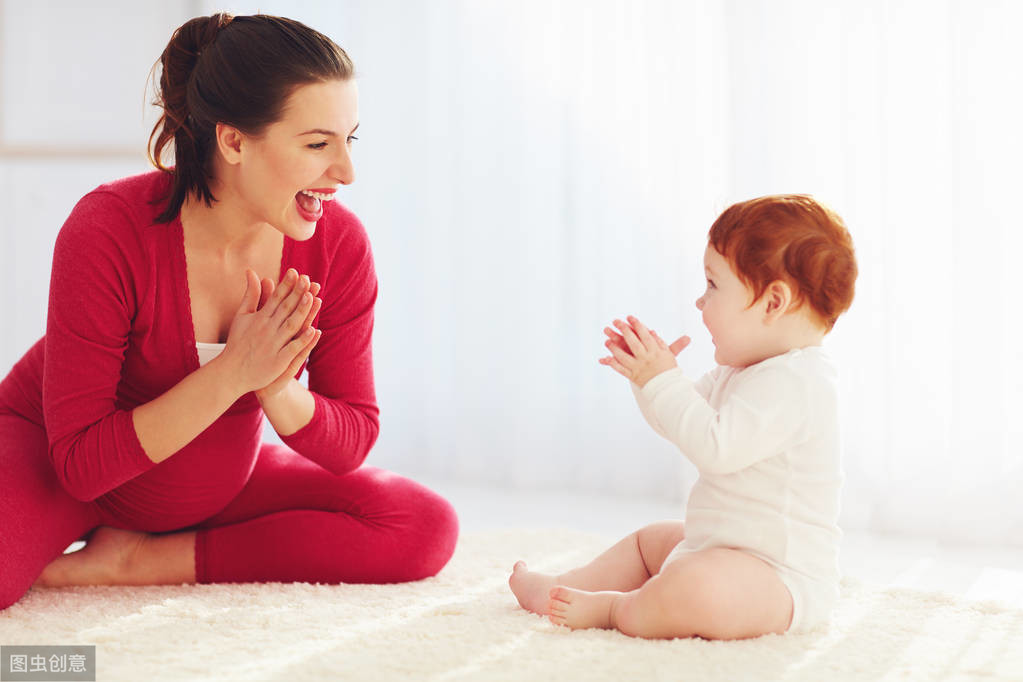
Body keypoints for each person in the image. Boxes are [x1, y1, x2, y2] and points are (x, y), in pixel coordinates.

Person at [0, 13, 458, 611]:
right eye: (318, 144)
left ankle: (142, 560)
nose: (346, 172)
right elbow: (82, 465)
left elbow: (351, 441)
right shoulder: (108, 229)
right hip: (60, 464)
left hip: (214, 483)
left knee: (422, 525)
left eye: (351, 140)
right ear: (234, 140)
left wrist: (273, 385)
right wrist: (233, 373)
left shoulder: (337, 245)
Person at [509, 195, 857, 639]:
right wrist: (646, 379)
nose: (699, 301)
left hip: (777, 580)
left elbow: (714, 448)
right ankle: (564, 586)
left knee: (694, 589)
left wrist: (663, 381)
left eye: (713, 285)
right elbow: (680, 423)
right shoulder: (743, 371)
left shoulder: (798, 382)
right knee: (649, 541)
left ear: (773, 303)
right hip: (714, 549)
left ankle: (617, 609)